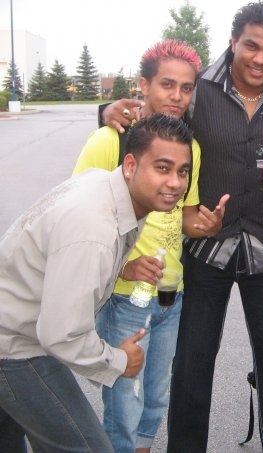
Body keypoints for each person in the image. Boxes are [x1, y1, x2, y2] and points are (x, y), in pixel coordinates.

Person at [101, 3, 263, 451]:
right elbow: (152, 116)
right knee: (192, 366)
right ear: (233, 42)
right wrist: (108, 110)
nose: (260, 59)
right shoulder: (200, 88)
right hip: (205, 247)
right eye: (251, 46)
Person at [0, 113, 193, 452]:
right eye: (162, 168)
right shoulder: (95, 229)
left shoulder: (108, 188)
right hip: (14, 346)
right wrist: (119, 361)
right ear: (130, 165)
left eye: (183, 171)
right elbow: (61, 334)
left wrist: (121, 270)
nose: (175, 183)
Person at [74, 40, 227, 453]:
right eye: (167, 85)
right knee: (125, 402)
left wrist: (207, 225)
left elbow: (185, 217)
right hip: (125, 298)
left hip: (170, 296)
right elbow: (76, 220)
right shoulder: (111, 140)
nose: (177, 96)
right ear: (144, 85)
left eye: (186, 87)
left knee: (156, 397)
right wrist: (123, 266)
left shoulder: (190, 148)